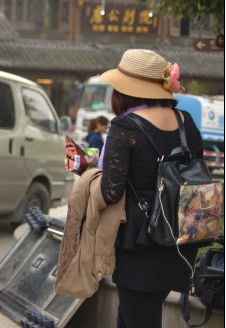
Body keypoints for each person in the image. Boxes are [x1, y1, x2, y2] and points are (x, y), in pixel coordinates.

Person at [99, 49, 203, 328]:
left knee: (138, 319)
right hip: (178, 242)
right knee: (132, 317)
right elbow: (195, 174)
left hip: (140, 243)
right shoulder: (186, 122)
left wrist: (88, 173)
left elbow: (110, 191)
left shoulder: (125, 127)